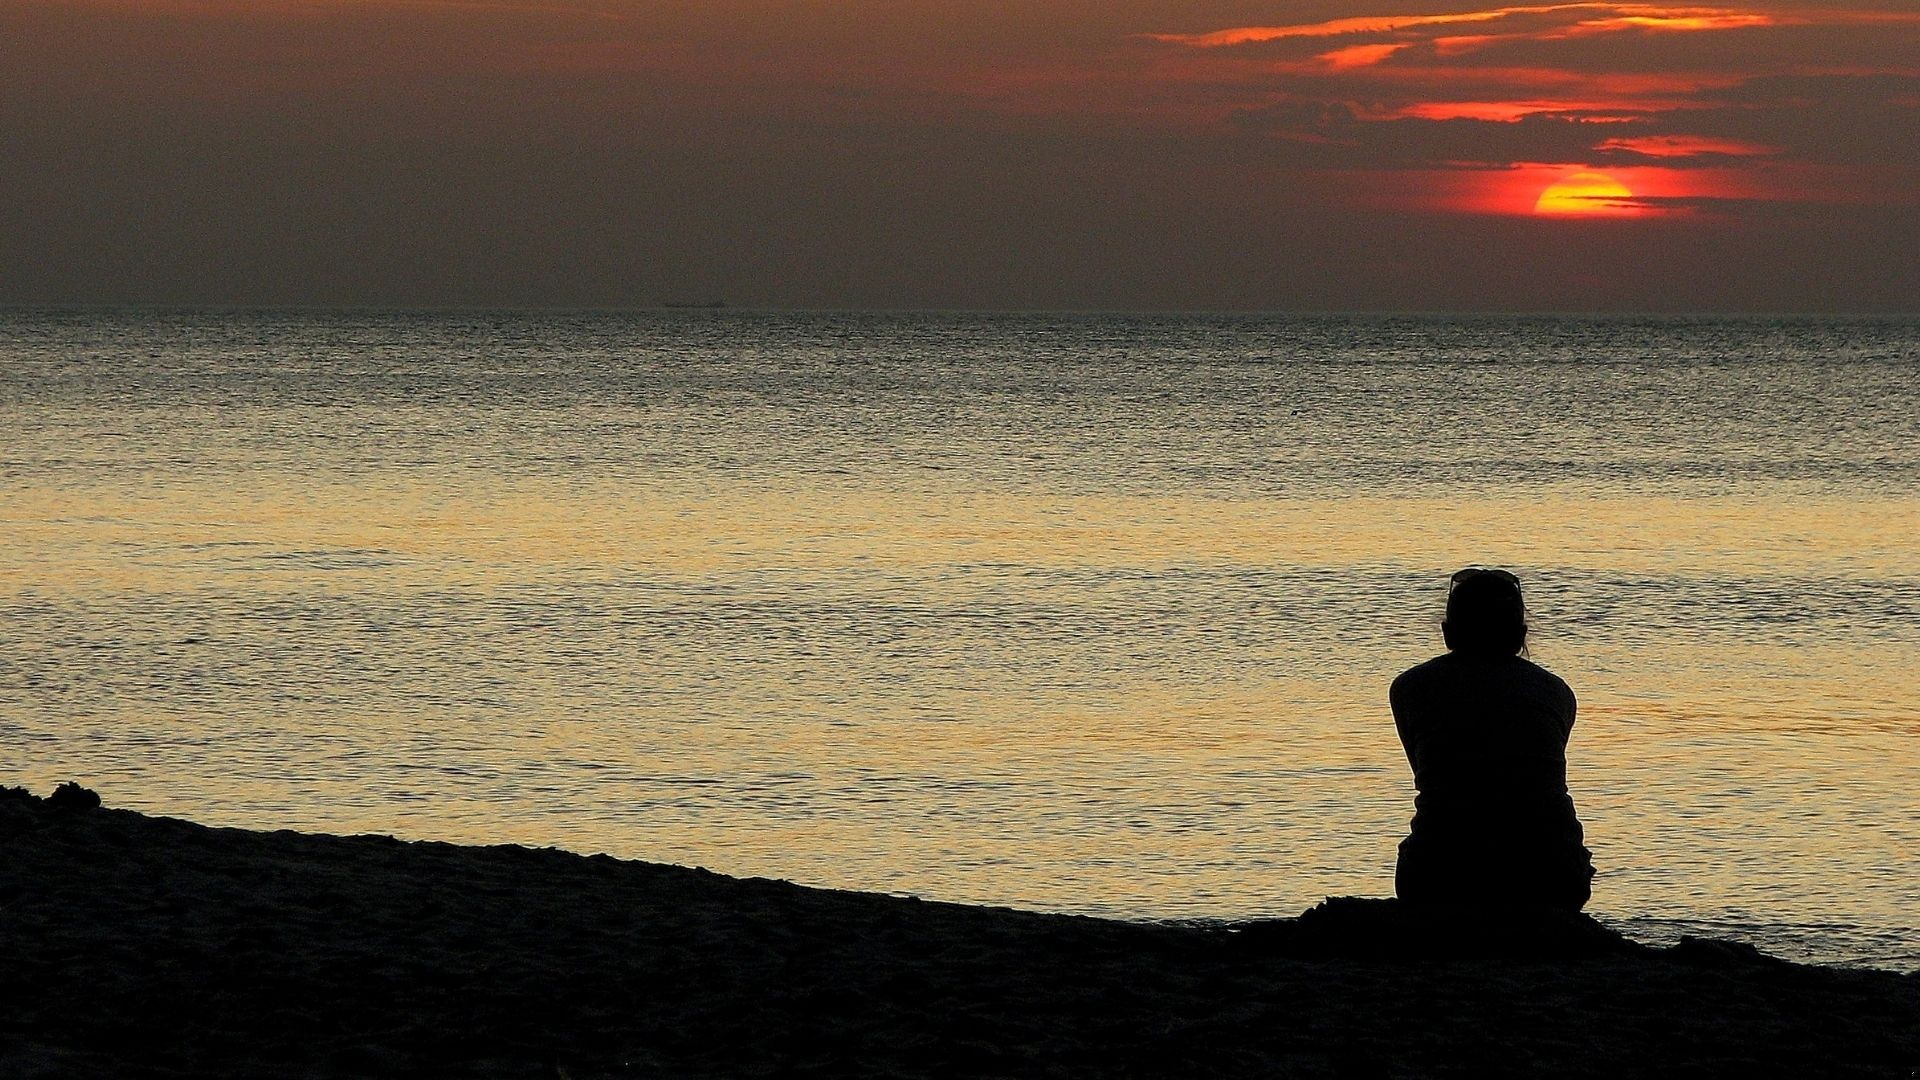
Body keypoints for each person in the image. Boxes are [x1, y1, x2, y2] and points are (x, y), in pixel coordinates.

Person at [1391, 568, 1594, 911]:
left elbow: (1430, 774)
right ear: (1520, 635)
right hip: (1553, 876)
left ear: (1448, 633)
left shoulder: (1410, 688)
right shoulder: (1556, 692)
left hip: (1439, 876)